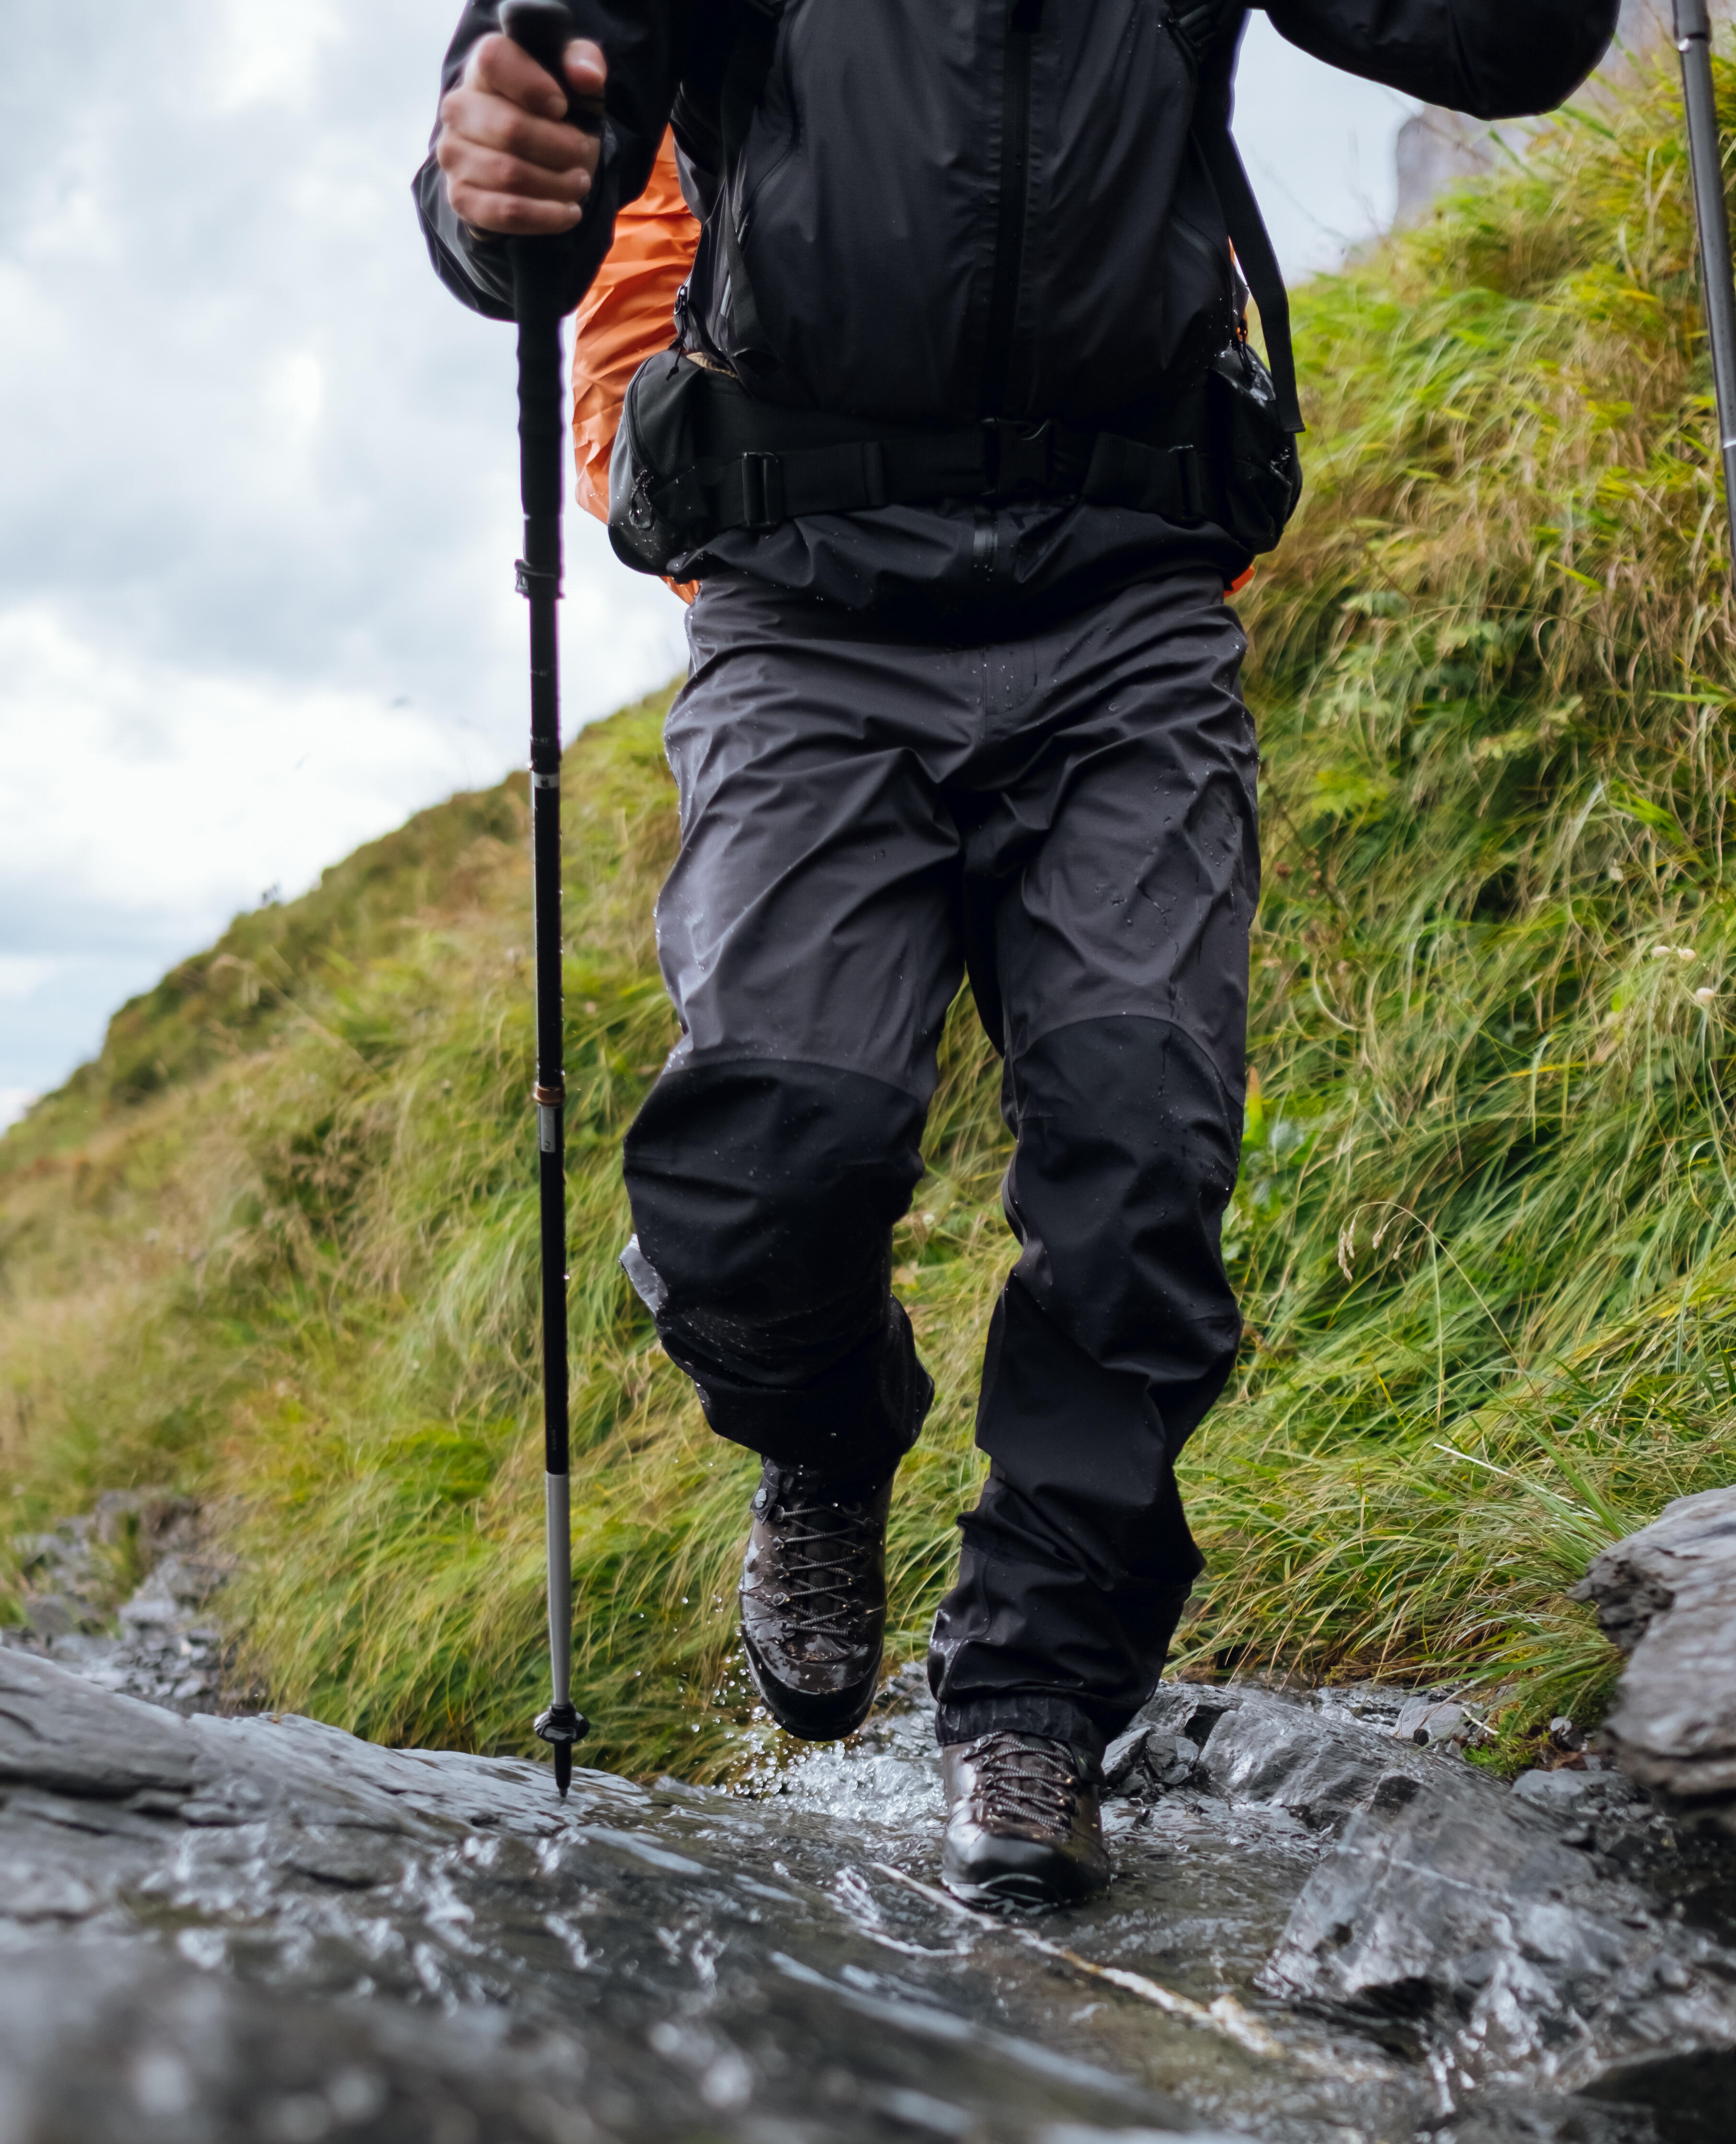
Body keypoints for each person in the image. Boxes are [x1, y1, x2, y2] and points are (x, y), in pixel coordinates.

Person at [420, 0, 1613, 1908]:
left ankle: (1034, 1702)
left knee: (1141, 1163)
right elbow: (541, 161)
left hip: (1128, 588)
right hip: (806, 603)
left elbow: (1502, 40)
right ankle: (828, 1441)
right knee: (764, 1172)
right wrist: (491, 181)